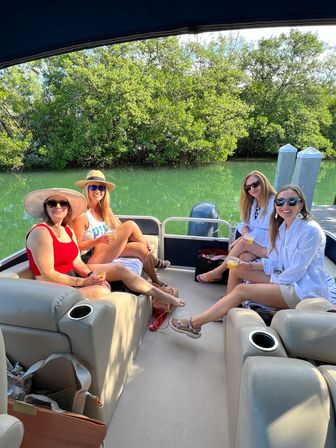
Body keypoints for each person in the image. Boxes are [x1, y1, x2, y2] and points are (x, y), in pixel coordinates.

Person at [170, 185, 331, 339]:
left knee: (242, 290)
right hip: (286, 279)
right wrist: (249, 266)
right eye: (280, 202)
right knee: (237, 269)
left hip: (302, 289)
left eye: (291, 201)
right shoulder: (284, 228)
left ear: (301, 204)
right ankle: (229, 308)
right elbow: (277, 262)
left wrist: (267, 285)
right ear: (275, 205)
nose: (285, 206)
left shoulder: (310, 230)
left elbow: (295, 271)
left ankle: (195, 324)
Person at [24, 187, 185, 309]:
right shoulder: (41, 232)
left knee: (117, 272)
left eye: (63, 203)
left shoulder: (67, 231)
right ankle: (156, 293)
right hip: (52, 290)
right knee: (102, 291)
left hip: (73, 281)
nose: (58, 206)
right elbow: (47, 274)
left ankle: (160, 294)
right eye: (52, 203)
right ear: (46, 207)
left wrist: (92, 276)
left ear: (68, 208)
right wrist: (83, 281)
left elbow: (77, 263)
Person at [72, 170, 169, 285]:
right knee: (130, 224)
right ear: (87, 189)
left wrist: (142, 242)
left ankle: (156, 281)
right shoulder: (82, 215)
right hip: (91, 256)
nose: (98, 191)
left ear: (105, 191)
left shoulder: (105, 211)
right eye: (93, 187)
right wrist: (98, 240)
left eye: (101, 188)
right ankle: (155, 261)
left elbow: (119, 229)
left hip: (106, 249)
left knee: (140, 248)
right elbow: (77, 246)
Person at [196, 171, 276, 283]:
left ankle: (218, 272)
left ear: (263, 182)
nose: (252, 189)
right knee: (243, 258)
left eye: (255, 184)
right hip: (256, 245)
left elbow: (265, 231)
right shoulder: (254, 203)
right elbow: (244, 223)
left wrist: (241, 239)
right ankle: (233, 295)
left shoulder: (275, 203)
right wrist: (245, 230)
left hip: (271, 247)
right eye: (248, 187)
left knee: (243, 243)